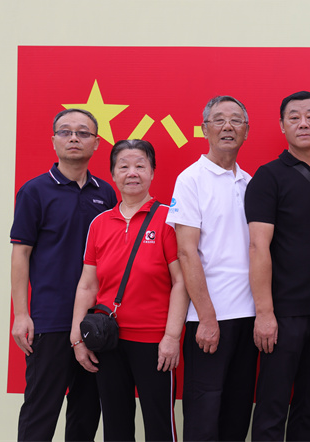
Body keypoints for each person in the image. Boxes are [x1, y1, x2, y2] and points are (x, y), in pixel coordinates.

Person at [70, 139, 188, 441]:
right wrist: (77, 337)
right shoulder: (99, 223)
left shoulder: (169, 220)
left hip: (154, 342)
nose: (131, 173)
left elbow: (181, 282)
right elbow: (88, 284)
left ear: (152, 172)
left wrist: (172, 337)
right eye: (123, 166)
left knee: (160, 426)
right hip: (108, 340)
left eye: (140, 166)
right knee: (116, 426)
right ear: (113, 174)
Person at [245, 91, 310, 440]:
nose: (303, 123)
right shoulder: (268, 177)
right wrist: (264, 313)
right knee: (272, 405)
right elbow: (258, 247)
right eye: (294, 117)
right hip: (284, 312)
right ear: (282, 125)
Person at [10, 108, 114, 441]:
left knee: (86, 414)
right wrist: (21, 315)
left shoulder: (106, 193)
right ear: (53, 140)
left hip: (95, 321)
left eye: (83, 132)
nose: (74, 138)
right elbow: (21, 253)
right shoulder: (35, 191)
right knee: (40, 412)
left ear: (96, 143)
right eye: (65, 132)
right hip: (50, 319)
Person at [166, 95, 258, 441]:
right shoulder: (191, 179)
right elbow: (187, 252)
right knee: (203, 416)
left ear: (246, 130)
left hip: (248, 317)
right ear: (205, 129)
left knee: (237, 412)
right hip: (208, 319)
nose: (227, 126)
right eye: (219, 120)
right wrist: (206, 318)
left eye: (236, 120)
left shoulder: (250, 183)